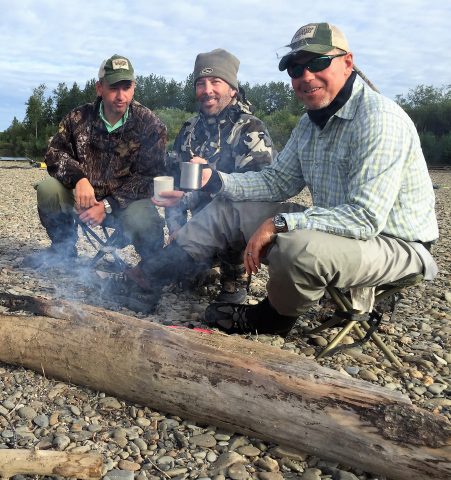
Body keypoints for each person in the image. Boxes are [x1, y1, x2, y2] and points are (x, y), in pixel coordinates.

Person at [127, 22, 439, 336]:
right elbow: (277, 181)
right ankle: (149, 273)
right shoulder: (309, 123)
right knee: (231, 206)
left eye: (318, 63)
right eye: (295, 68)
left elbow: (365, 217)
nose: (306, 76)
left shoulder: (378, 119)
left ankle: (270, 320)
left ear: (347, 62)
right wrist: (216, 181)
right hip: (336, 227)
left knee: (298, 247)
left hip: (391, 242)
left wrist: (278, 223)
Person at [150, 48, 274, 302]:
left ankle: (234, 278)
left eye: (215, 81)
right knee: (179, 281)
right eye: (200, 83)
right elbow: (174, 183)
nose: (207, 90)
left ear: (232, 89)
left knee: (235, 207)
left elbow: (260, 194)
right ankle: (198, 264)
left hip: (235, 238)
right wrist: (176, 227)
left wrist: (212, 178)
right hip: (196, 233)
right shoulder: (189, 130)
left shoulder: (251, 130)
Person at [25, 54, 167, 269]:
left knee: (143, 218)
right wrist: (79, 179)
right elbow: (54, 154)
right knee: (48, 189)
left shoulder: (150, 124)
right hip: (82, 199)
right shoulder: (78, 118)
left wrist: (108, 205)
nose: (120, 96)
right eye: (113, 87)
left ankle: (152, 266)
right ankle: (63, 250)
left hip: (124, 204)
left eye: (126, 87)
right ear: (99, 88)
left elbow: (149, 177)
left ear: (134, 87)